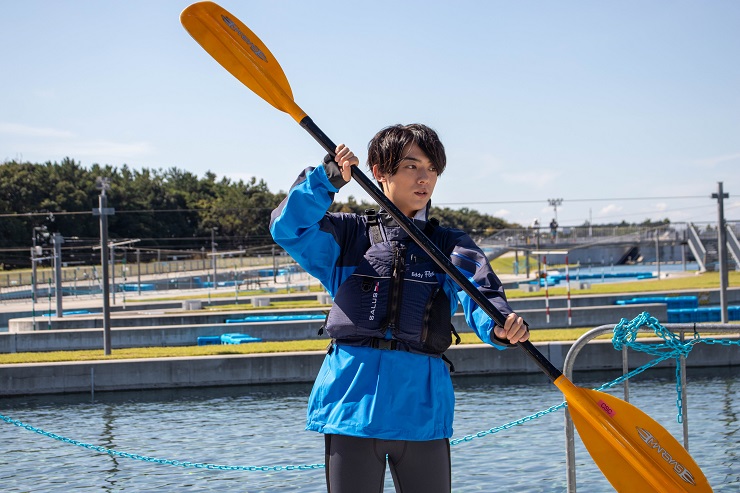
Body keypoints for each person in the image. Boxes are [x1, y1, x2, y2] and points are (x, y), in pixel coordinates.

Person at [270, 124, 529, 493]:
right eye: (411, 166)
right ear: (379, 172)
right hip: (350, 408)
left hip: (422, 411)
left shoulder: (450, 244)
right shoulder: (347, 235)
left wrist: (500, 326)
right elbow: (287, 228)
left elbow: (481, 295)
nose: (425, 178)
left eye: (432, 169)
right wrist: (326, 178)